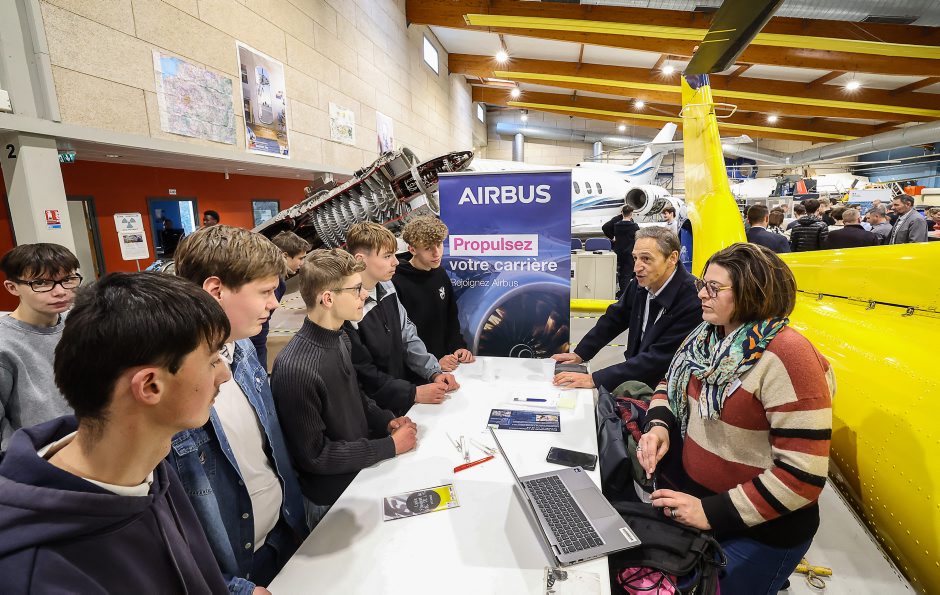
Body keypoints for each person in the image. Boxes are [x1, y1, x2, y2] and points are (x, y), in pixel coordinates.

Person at [0, 272, 231, 593]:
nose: (225, 374)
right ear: (150, 386)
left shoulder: (148, 467)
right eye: (213, 360)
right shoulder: (36, 572)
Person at [637, 243, 834, 594]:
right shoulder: (707, 338)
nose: (701, 294)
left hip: (760, 533)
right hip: (707, 510)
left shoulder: (788, 358)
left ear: (752, 293)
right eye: (703, 284)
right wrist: (659, 425)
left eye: (714, 288)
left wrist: (711, 513)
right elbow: (669, 383)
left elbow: (801, 477)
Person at [169, 225, 309, 595]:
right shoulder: (170, 384)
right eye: (264, 292)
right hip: (233, 574)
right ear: (215, 290)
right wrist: (231, 588)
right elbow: (164, 521)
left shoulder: (242, 347)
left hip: (282, 537)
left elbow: (267, 451)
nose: (274, 303)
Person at [271, 249, 417, 509]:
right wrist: (389, 446)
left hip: (360, 476)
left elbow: (355, 395)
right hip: (333, 502)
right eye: (356, 289)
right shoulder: (295, 369)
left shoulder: (341, 338)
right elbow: (315, 455)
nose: (364, 295)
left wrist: (385, 420)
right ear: (328, 298)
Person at [552, 227, 702, 391]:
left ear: (672, 258)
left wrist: (595, 379)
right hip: (637, 378)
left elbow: (657, 359)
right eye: (635, 258)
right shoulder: (640, 284)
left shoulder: (693, 300)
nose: (636, 268)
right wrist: (580, 353)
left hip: (666, 389)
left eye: (646, 259)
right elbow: (615, 319)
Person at [344, 222, 459, 416]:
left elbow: (407, 335)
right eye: (387, 256)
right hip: (375, 413)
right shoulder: (349, 308)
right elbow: (364, 373)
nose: (396, 262)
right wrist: (412, 393)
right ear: (360, 260)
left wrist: (433, 371)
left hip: (400, 402)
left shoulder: (388, 287)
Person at [0, 243, 81, 450]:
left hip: (91, 446)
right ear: (12, 287)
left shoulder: (81, 323)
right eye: (41, 283)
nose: (60, 292)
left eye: (68, 280)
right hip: (38, 457)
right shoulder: (5, 344)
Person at [393, 216, 474, 371]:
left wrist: (458, 347)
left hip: (445, 365)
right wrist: (431, 362)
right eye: (428, 248)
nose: (436, 253)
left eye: (439, 244)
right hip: (415, 372)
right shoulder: (396, 282)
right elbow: (400, 337)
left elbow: (450, 317)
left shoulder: (440, 273)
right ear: (412, 249)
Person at [250, 231, 311, 369]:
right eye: (300, 258)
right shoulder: (276, 284)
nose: (302, 263)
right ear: (284, 256)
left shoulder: (280, 283)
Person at [612, 205, 640, 298]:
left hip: (618, 253)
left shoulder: (616, 225)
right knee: (627, 274)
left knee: (620, 273)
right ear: (631, 214)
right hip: (629, 253)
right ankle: (625, 294)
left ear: (622, 213)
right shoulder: (634, 226)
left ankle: (622, 292)